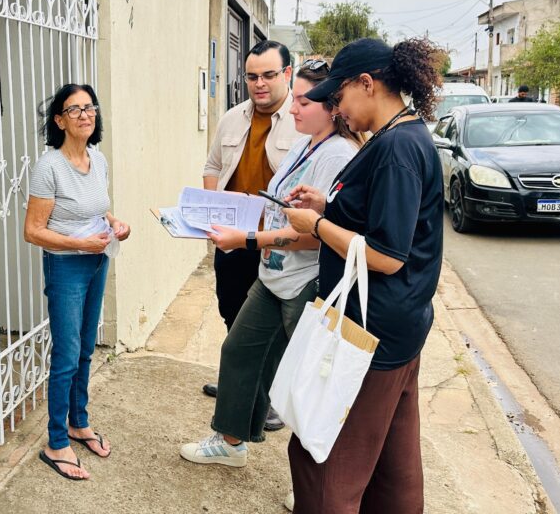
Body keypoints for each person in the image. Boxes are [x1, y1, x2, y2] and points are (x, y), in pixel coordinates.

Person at [282, 37, 444, 513]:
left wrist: (316, 225)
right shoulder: (403, 136)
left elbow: (388, 254)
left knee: (323, 461)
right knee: (393, 468)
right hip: (398, 326)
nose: (338, 108)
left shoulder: (396, 147)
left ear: (367, 84)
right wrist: (328, 206)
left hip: (368, 334)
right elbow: (383, 222)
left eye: (340, 96)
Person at [180, 60, 363, 467]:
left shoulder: (338, 155)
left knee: (306, 383)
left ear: (333, 106)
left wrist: (250, 238)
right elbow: (281, 207)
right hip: (273, 275)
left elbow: (319, 235)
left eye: (302, 101)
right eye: (294, 99)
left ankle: (320, 481)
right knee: (239, 351)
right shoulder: (304, 143)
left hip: (308, 285)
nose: (293, 109)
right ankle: (230, 442)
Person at [24, 83, 131, 481]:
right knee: (67, 355)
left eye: (90, 107)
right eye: (74, 110)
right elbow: (33, 231)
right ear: (59, 120)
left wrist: (114, 222)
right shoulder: (49, 166)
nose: (85, 115)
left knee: (86, 348)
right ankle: (56, 442)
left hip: (97, 260)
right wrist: (77, 243)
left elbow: (96, 209)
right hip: (67, 266)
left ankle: (77, 422)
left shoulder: (97, 160)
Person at [201, 40, 300, 408]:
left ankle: (268, 399)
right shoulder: (232, 118)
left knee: (272, 326)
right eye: (252, 76)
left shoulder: (302, 120)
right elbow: (212, 167)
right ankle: (237, 386)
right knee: (232, 312)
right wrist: (212, 209)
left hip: (276, 245)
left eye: (269, 75)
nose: (260, 84)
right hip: (233, 239)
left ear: (287, 74)